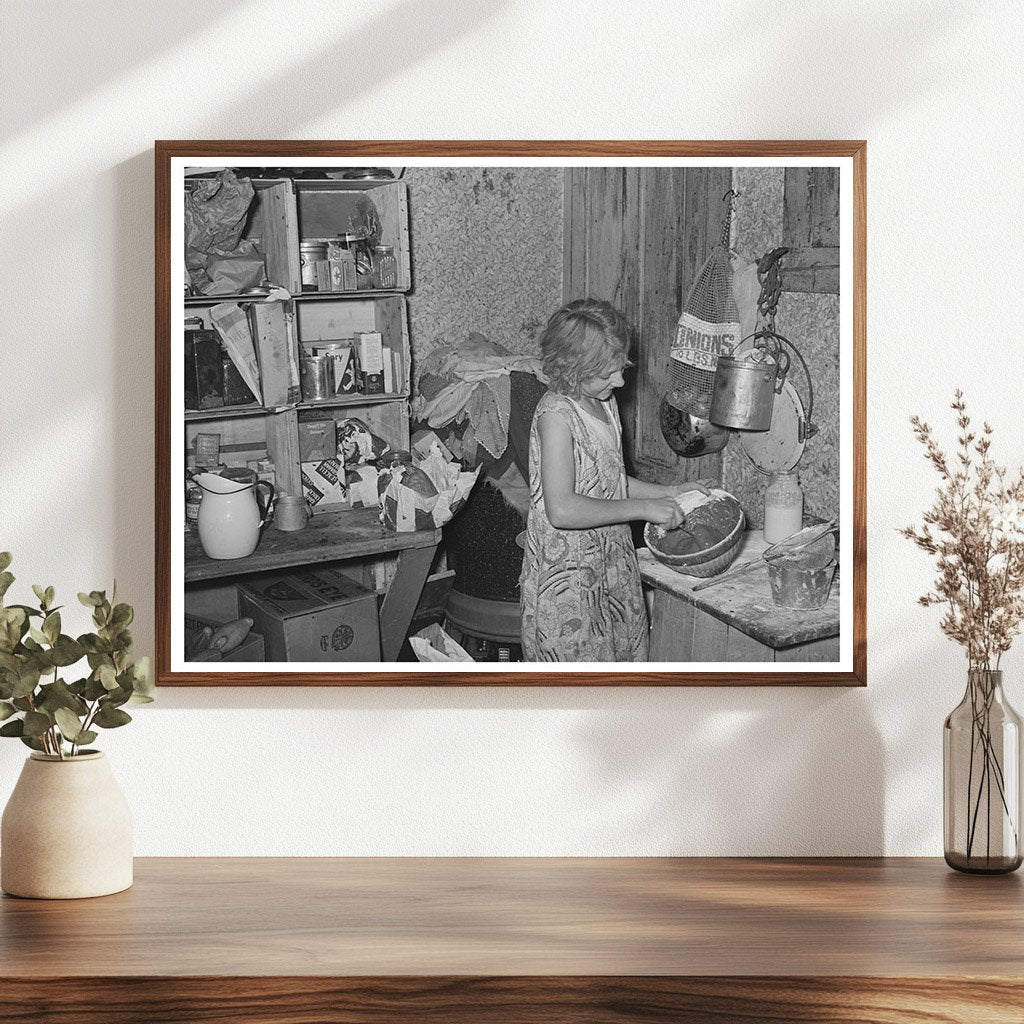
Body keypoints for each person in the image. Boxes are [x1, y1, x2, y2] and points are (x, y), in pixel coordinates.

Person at [520, 298, 710, 662]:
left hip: (611, 561)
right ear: (573, 368)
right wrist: (644, 509)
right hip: (570, 576)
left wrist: (670, 492)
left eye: (620, 368)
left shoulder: (603, 401)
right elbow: (562, 509)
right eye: (608, 373)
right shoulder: (556, 417)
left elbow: (609, 478)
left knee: (622, 657)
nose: (620, 381)